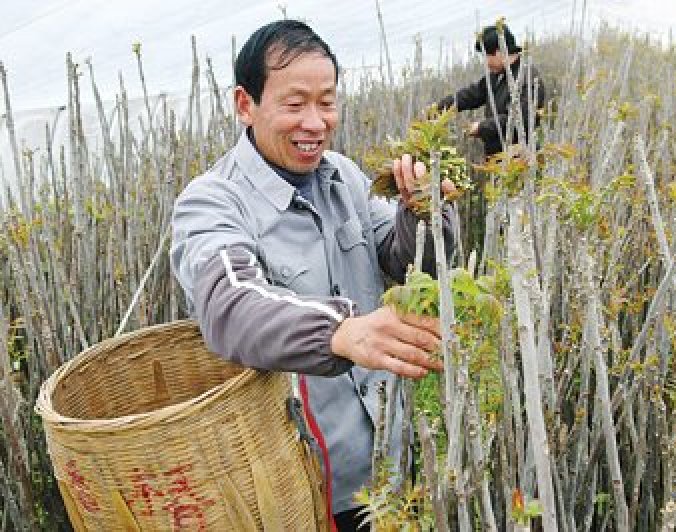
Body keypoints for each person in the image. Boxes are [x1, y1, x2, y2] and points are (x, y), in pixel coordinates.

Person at [170, 19, 456, 532]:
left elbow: (403, 261)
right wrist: (340, 331)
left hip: (391, 461)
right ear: (245, 105)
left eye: (327, 102)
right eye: (295, 103)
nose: (316, 122)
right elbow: (228, 305)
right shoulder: (212, 201)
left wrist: (423, 213)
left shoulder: (343, 176)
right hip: (304, 488)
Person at [437, 22, 547, 157]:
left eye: (486, 57)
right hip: (496, 159)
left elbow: (518, 120)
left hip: (520, 161)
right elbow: (473, 94)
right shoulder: (498, 75)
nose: (485, 63)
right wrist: (441, 107)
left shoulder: (529, 80)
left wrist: (481, 127)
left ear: (499, 53)